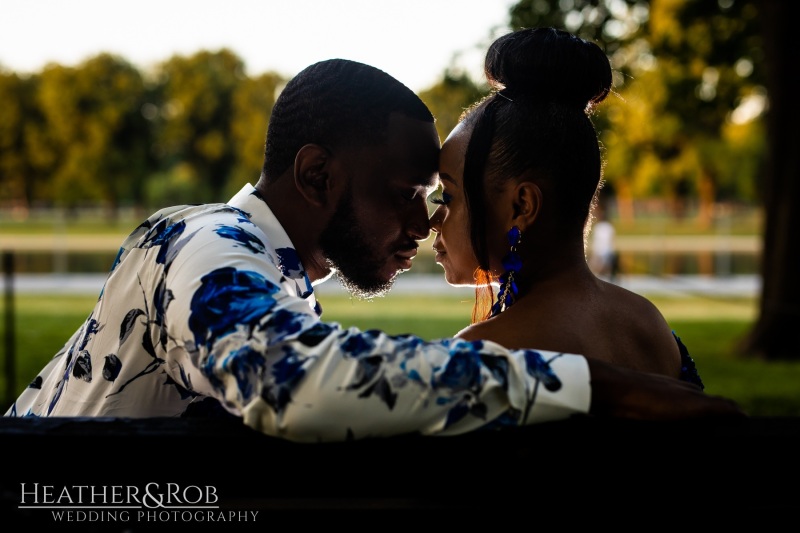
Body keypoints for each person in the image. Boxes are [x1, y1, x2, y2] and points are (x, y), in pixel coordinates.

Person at [4, 58, 741, 442]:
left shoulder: (271, 282)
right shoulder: (202, 245)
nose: (423, 224)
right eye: (405, 192)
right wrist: (593, 383)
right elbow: (290, 380)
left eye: (437, 196)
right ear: (317, 174)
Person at [430, 27, 702, 386]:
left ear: (522, 205)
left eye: (447, 198)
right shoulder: (646, 321)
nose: (433, 221)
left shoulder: (486, 352)